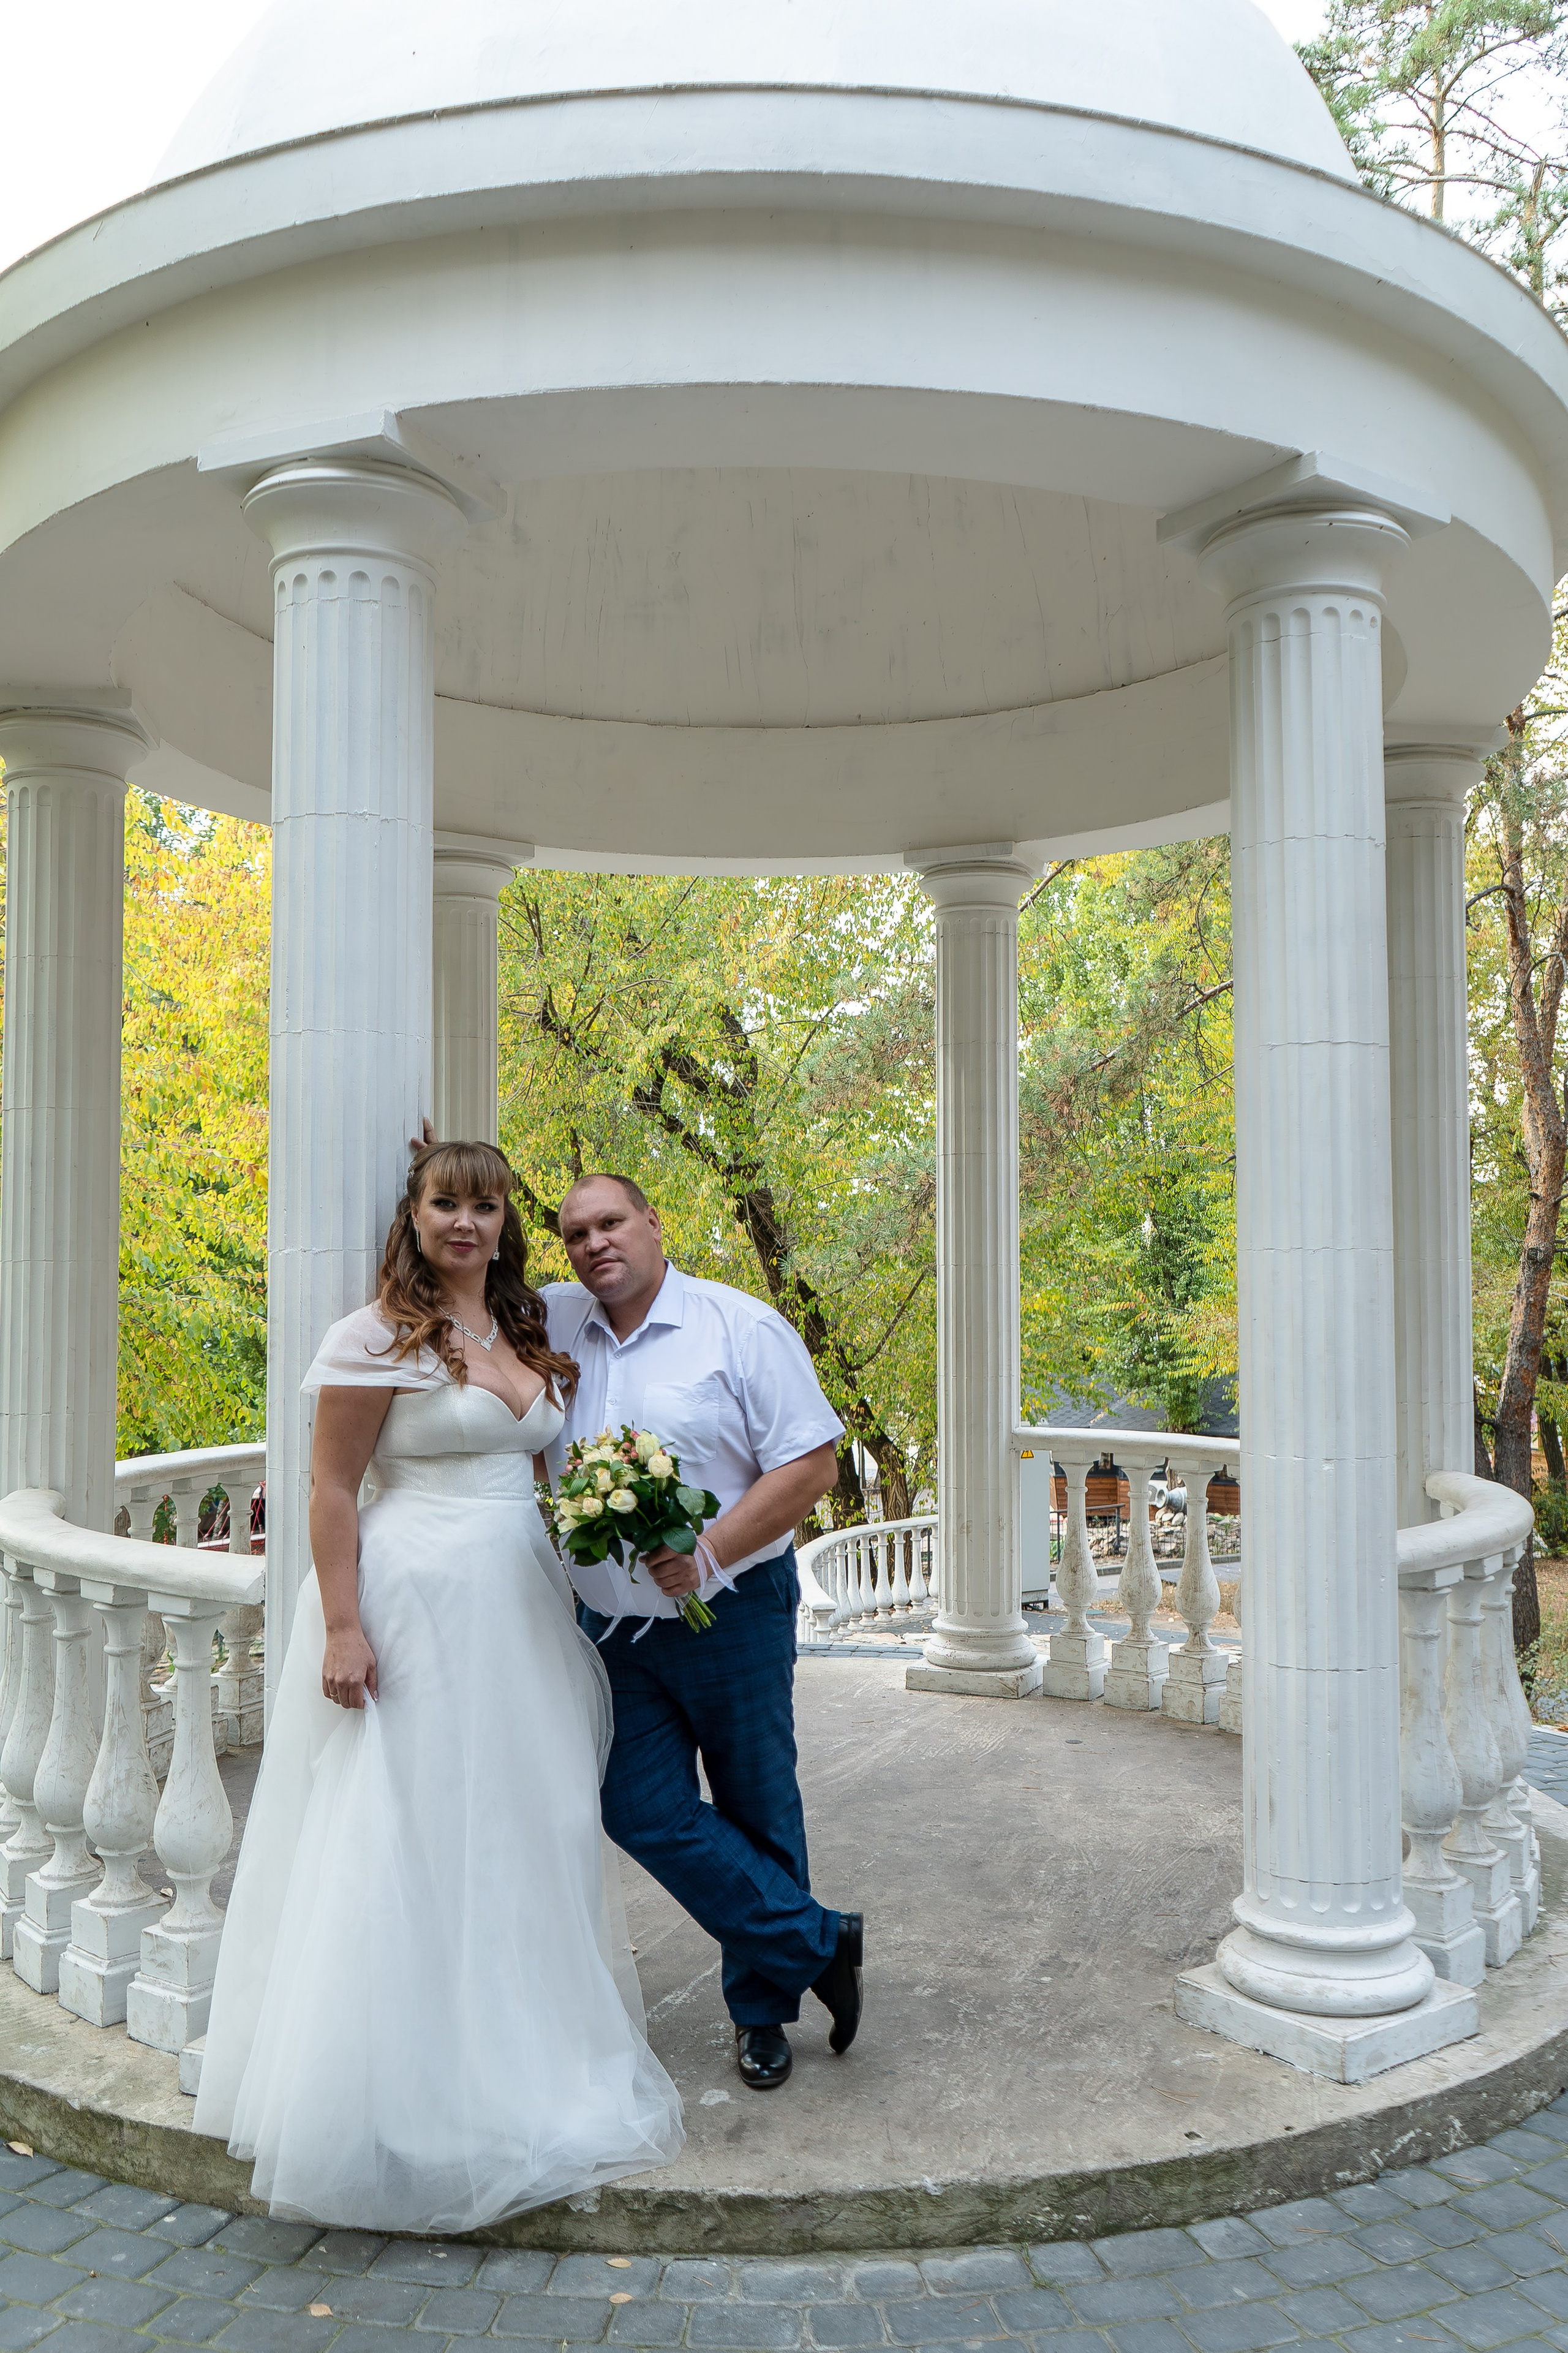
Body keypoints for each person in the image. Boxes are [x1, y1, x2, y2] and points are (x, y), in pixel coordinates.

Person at [193, 1142, 683, 2229]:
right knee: (411, 1825)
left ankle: (524, 2050)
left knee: (528, 1821)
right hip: (415, 1603)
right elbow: (328, 1487)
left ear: (508, 1220)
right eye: (445, 1202)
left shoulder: (527, 1326)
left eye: (486, 1204)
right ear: (413, 1215)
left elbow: (549, 1466)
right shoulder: (373, 1335)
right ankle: (400, 2090)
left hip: (520, 1609)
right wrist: (345, 1625)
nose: (466, 1221)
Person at [545, 1172, 862, 2093]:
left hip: (732, 1610)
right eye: (574, 1233)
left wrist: (712, 1551)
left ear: (653, 1221)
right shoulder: (564, 1326)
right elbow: (468, 1264)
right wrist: (437, 1176)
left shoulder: (740, 1326)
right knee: (636, 1807)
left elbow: (811, 1465)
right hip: (612, 1631)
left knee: (757, 1801)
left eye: (610, 1222)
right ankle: (818, 1942)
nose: (594, 1243)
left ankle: (762, 2016)